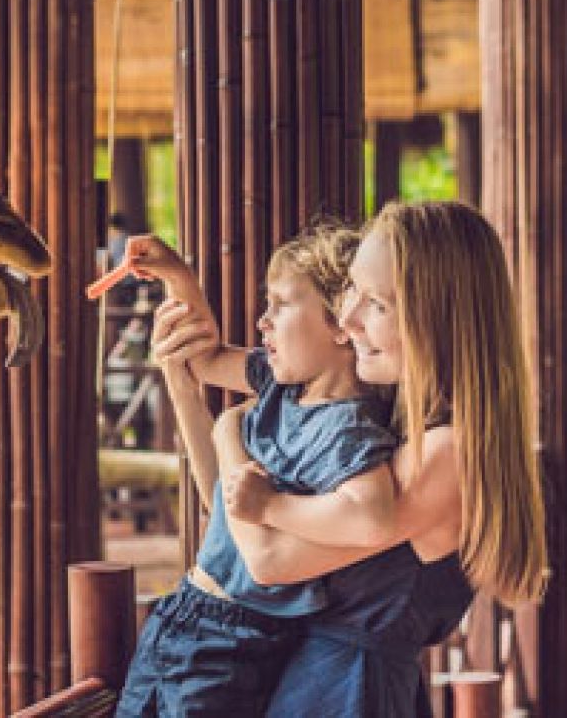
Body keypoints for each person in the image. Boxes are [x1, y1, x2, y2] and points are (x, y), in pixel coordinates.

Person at [150, 200, 548, 716]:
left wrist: (230, 431)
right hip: (314, 683)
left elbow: (267, 558)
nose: (349, 318)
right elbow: (230, 515)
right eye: (352, 292)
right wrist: (182, 369)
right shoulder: (391, 411)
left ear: (438, 316)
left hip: (352, 692)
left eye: (376, 303)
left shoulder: (447, 453)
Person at [114, 224, 400, 716]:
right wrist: (178, 277)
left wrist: (268, 502)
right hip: (185, 611)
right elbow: (203, 359)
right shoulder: (279, 386)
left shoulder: (347, 429)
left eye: (281, 304)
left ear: (341, 325)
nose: (262, 321)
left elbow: (372, 512)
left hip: (234, 641)